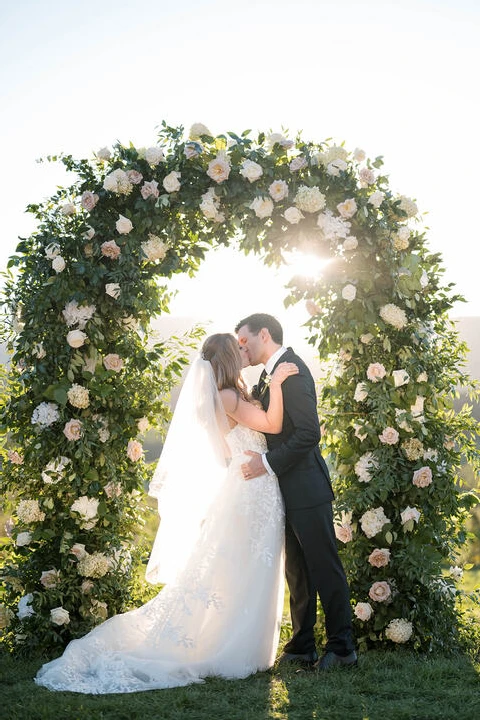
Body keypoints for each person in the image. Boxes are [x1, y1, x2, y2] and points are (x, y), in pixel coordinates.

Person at [35, 333, 298, 694]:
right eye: (236, 349)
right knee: (249, 567)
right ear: (226, 358)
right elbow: (272, 425)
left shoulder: (226, 395)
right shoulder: (228, 397)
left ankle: (240, 643)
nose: (243, 351)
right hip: (252, 491)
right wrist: (279, 384)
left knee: (243, 568)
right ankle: (236, 650)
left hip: (249, 486)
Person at [235, 313, 357, 671]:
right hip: (282, 491)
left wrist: (266, 463)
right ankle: (303, 644)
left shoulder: (292, 369)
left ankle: (343, 647)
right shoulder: (267, 374)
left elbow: (308, 434)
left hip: (307, 487)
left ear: (264, 333)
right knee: (297, 571)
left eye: (245, 341)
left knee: (324, 567)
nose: (242, 347)